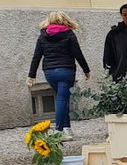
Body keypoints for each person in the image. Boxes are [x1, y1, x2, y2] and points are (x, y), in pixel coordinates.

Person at [27, 11, 92, 140]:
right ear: (64, 20)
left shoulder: (43, 35)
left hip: (49, 72)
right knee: (62, 99)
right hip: (66, 71)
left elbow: (37, 56)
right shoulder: (69, 34)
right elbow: (78, 54)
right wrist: (86, 70)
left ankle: (67, 128)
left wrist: (31, 75)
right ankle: (59, 130)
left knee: (63, 98)